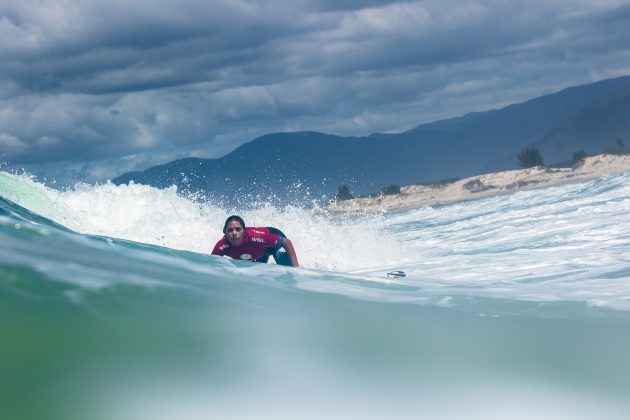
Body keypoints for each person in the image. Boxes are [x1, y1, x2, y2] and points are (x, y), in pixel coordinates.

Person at [211, 215, 299, 267]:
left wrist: (296, 267)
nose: (234, 233)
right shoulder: (222, 246)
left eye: (238, 229)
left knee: (288, 269)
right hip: (259, 252)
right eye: (230, 230)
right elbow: (211, 265)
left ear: (244, 232)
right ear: (225, 232)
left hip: (274, 245)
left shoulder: (256, 237)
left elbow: (286, 242)